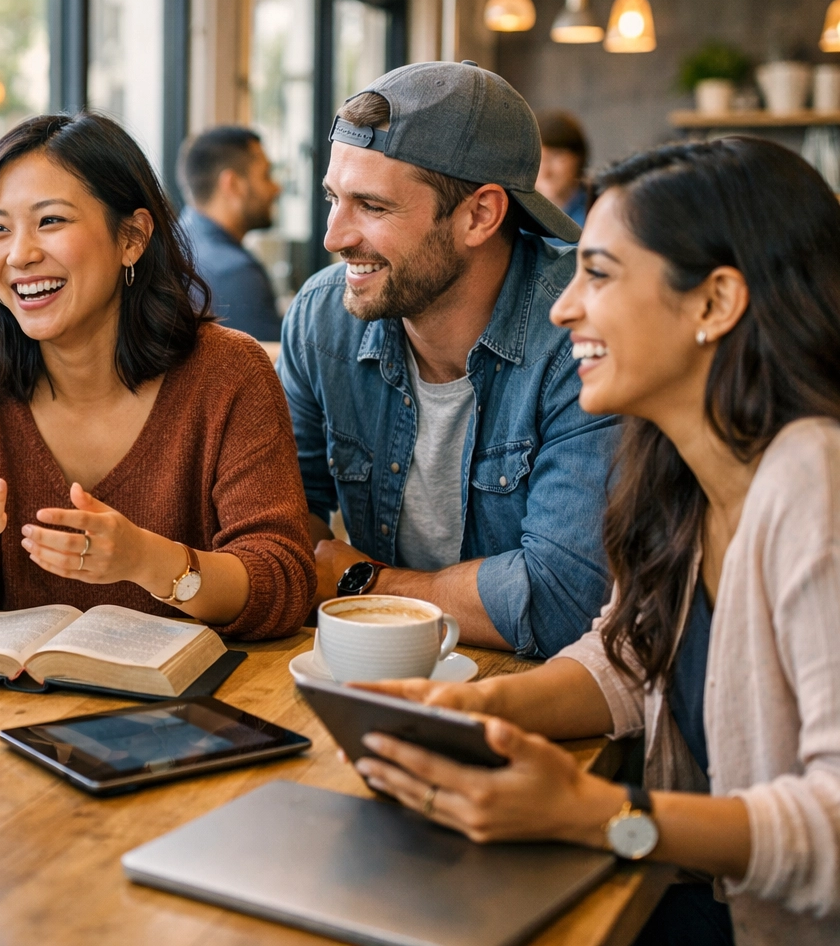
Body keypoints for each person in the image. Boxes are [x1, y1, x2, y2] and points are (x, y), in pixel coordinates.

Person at [352, 137, 840, 945]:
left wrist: (595, 812)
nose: (562, 307)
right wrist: (476, 710)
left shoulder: (814, 483)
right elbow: (627, 652)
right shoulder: (674, 466)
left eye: (600, 274)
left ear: (715, 303)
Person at [0, 113, 314, 639]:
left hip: (189, 707)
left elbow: (282, 581)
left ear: (133, 237)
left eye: (50, 221)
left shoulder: (229, 373)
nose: (20, 254)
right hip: (12, 707)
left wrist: (147, 560)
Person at [278, 60, 619, 659]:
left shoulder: (582, 331)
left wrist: (363, 582)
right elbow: (280, 531)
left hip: (548, 700)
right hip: (380, 674)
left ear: (480, 215)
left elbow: (565, 601)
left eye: (373, 207)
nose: (333, 236)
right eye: (333, 197)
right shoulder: (323, 317)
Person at [178, 126, 283, 341]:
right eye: (266, 175)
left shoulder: (172, 243)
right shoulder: (235, 273)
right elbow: (274, 370)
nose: (276, 188)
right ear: (233, 184)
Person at [536, 110, 589, 237]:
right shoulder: (517, 219)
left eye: (555, 156)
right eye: (537, 159)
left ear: (579, 158)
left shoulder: (598, 212)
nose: (545, 172)